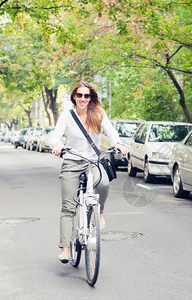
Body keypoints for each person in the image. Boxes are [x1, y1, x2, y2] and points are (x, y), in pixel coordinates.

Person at [50, 81, 128, 263]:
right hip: (72, 161)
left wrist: (118, 143)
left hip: (93, 160)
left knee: (104, 183)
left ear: (91, 98)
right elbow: (55, 136)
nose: (83, 99)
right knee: (68, 206)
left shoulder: (98, 114)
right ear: (74, 97)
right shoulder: (67, 116)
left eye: (87, 95)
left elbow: (111, 131)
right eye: (80, 95)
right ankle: (65, 249)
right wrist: (58, 144)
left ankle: (99, 213)